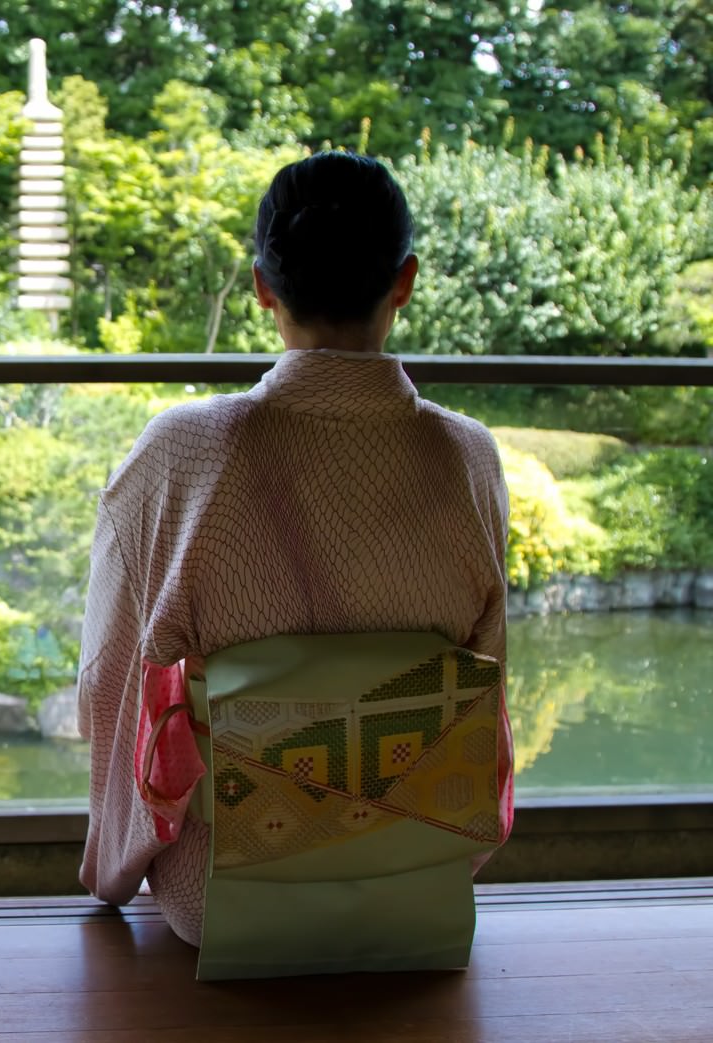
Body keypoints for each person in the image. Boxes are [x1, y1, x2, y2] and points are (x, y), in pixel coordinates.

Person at [76, 151, 512, 943]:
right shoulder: (468, 456)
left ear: (263, 286)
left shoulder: (182, 450)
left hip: (223, 899)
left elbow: (112, 676)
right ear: (404, 281)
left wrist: (114, 865)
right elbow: (489, 691)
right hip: (411, 880)